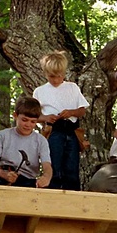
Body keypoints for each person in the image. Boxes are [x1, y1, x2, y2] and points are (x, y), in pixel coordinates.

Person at [33, 51, 89, 191]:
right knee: (54, 166)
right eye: (52, 76)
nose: (56, 80)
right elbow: (33, 115)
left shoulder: (72, 88)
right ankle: (52, 195)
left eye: (60, 76)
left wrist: (71, 112)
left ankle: (72, 198)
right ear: (45, 73)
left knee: (72, 168)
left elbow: (82, 111)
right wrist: (46, 118)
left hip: (71, 131)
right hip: (53, 131)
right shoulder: (40, 91)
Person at [0, 96, 52, 188]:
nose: (28, 125)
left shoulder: (41, 141)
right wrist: (4, 175)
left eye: (33, 122)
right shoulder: (3, 135)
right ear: (15, 116)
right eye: (24, 120)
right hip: (3, 177)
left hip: (27, 180)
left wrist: (46, 178)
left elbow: (47, 166)